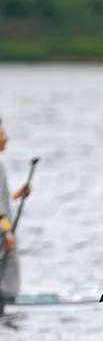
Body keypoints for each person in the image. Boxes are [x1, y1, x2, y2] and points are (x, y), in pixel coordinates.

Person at [0, 118, 31, 303]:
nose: (6, 138)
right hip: (2, 232)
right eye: (2, 134)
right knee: (10, 274)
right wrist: (6, 231)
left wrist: (18, 195)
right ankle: (7, 306)